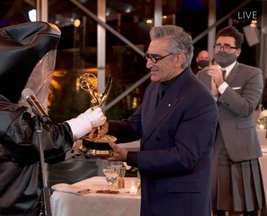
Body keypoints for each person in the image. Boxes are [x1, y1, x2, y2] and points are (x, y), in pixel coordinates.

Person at [0, 21, 106, 215]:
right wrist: (81, 123)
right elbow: (31, 139)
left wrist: (72, 147)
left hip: (8, 204)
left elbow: (25, 151)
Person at [93, 25, 218, 216]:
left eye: (155, 58)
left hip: (182, 203)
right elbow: (136, 125)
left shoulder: (200, 98)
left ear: (179, 58)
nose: (148, 65)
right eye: (148, 56)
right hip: (153, 196)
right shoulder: (154, 87)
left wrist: (129, 157)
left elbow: (184, 157)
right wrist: (108, 127)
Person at [196, 26, 264, 216]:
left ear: (238, 51)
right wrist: (213, 97)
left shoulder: (252, 74)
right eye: (218, 46)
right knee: (211, 204)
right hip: (209, 147)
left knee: (242, 206)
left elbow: (246, 108)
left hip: (239, 147)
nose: (221, 50)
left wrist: (222, 85)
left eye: (227, 46)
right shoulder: (202, 75)